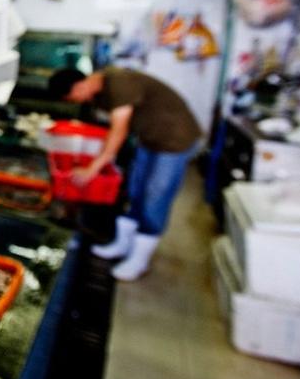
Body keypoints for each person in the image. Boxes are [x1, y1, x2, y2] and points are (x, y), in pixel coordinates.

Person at [47, 67, 202, 281]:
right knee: (136, 191)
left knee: (155, 196)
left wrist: (93, 169)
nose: (75, 102)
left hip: (175, 140)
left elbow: (118, 130)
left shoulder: (118, 84)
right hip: (148, 139)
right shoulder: (99, 91)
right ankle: (123, 244)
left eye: (72, 97)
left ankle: (139, 260)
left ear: (78, 86)